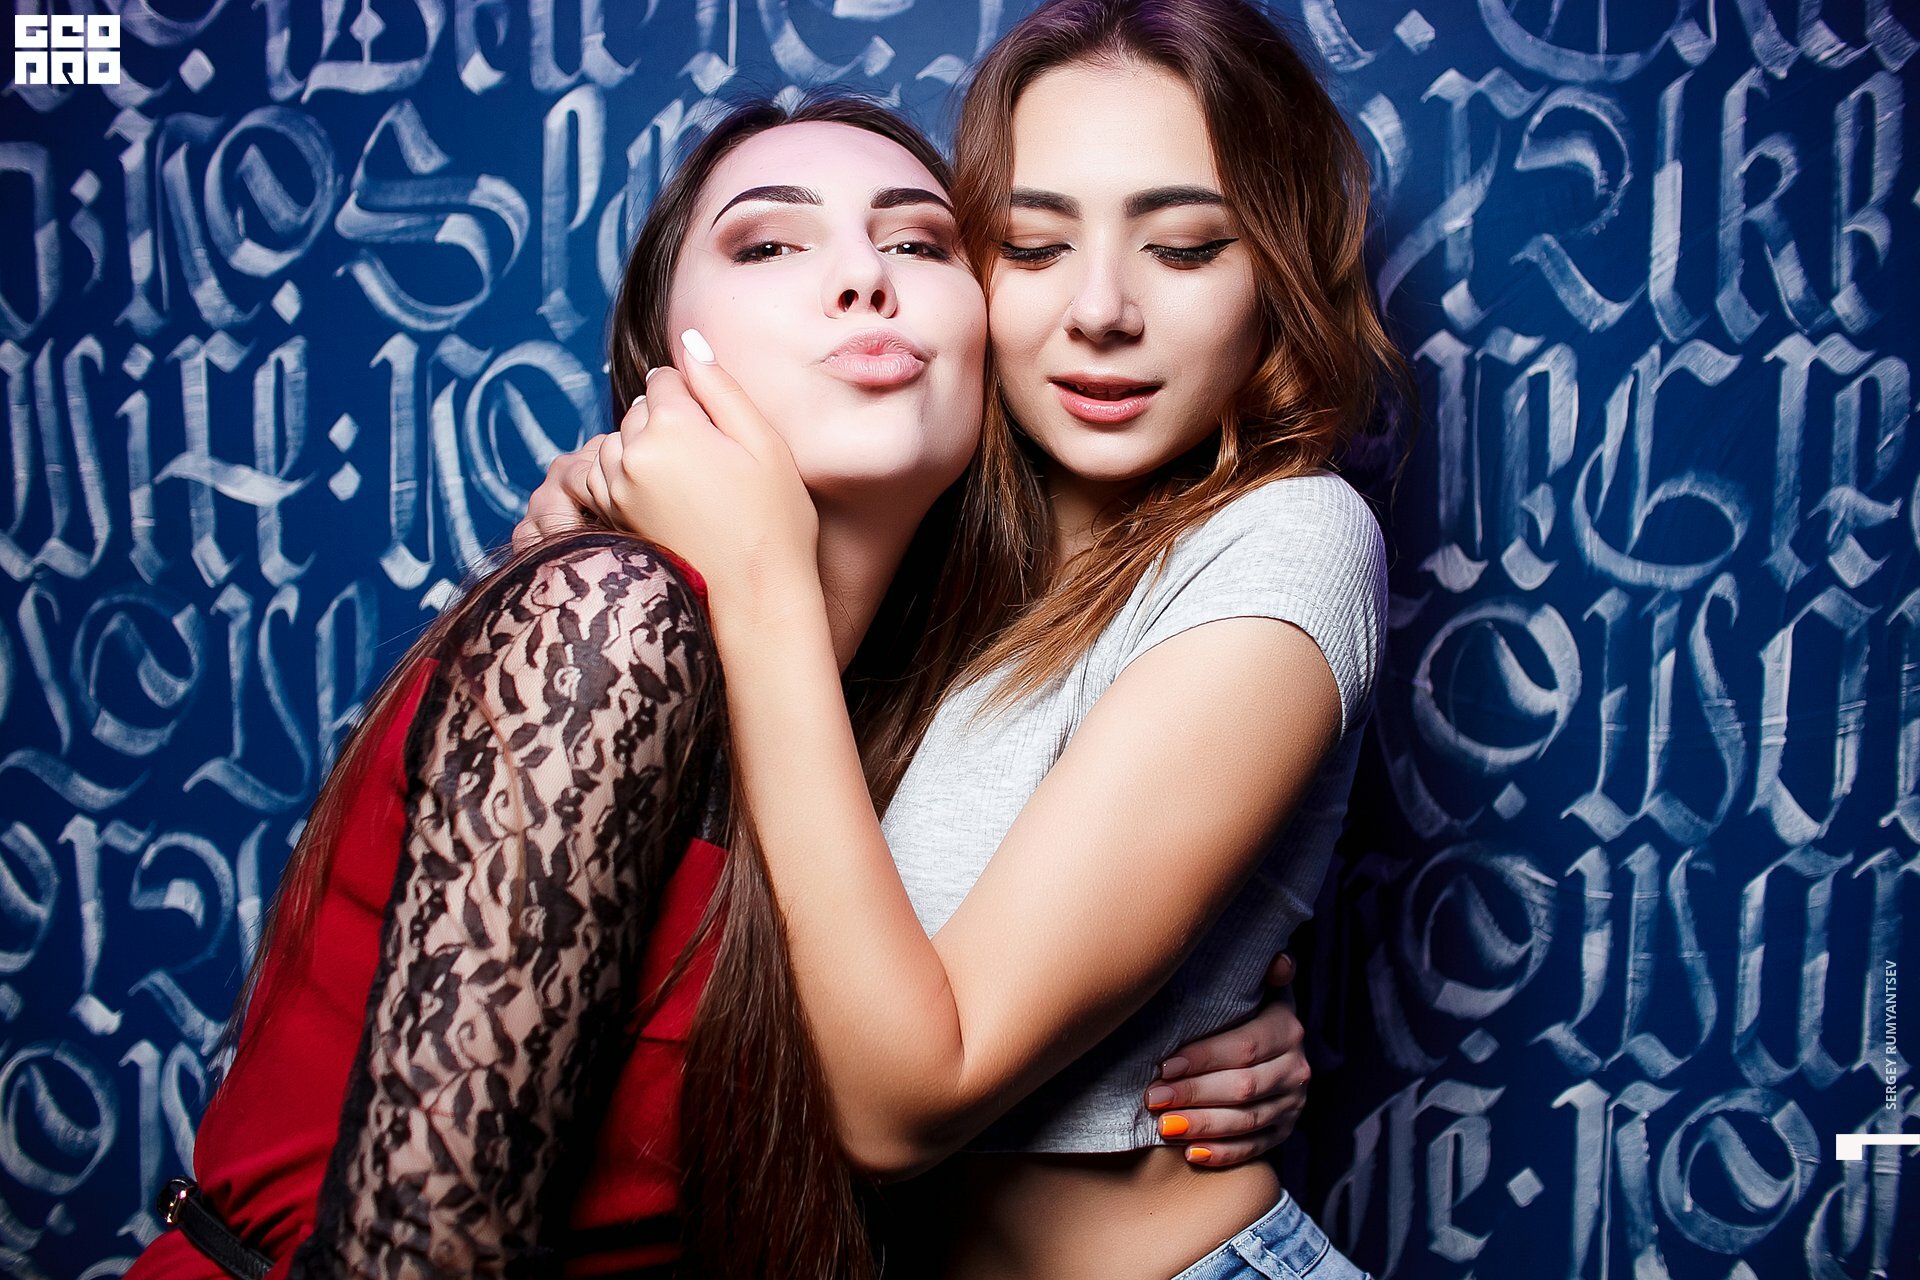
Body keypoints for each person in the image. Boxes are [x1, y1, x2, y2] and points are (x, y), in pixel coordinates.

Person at [130, 94, 1310, 1280]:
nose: (863, 277)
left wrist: (1192, 1019)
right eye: (768, 244)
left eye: (918, 241)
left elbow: (945, 1000)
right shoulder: (606, 625)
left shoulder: (886, 719)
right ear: (658, 358)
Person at [538, 1, 1408, 1276]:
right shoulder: (922, 546)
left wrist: (762, 581)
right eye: (1034, 246)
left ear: (1274, 275)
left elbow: (902, 1103)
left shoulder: (1291, 538)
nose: (1100, 310)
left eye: (1183, 248)